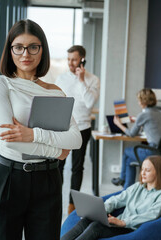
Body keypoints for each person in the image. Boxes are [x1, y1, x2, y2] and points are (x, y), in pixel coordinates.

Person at [0, 19, 82, 240]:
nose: (25, 54)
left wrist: (32, 134)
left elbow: (75, 139)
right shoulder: (0, 84)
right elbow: (10, 140)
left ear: (42, 50)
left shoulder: (55, 91)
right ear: (10, 50)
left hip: (48, 180)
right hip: (10, 178)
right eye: (18, 47)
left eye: (33, 47)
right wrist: (57, 151)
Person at [61, 155, 161, 240]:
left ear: (158, 173)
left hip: (131, 229)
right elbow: (117, 200)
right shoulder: (138, 187)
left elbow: (151, 215)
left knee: (96, 227)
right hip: (118, 224)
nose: (142, 173)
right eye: (142, 169)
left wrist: (123, 222)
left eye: (147, 170)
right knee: (87, 220)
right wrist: (100, 210)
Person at [55, 45, 100, 214]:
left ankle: (72, 205)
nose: (70, 63)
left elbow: (89, 103)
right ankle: (56, 200)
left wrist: (81, 81)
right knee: (58, 165)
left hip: (83, 127)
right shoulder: (61, 79)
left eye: (73, 59)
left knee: (77, 167)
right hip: (62, 127)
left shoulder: (93, 79)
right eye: (68, 59)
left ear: (82, 59)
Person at [112, 89, 161, 189]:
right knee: (129, 161)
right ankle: (127, 188)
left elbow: (131, 134)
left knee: (127, 151)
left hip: (151, 152)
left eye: (139, 100)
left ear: (143, 101)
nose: (138, 102)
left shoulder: (144, 115)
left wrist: (119, 124)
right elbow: (152, 123)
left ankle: (122, 179)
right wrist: (137, 120)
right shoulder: (160, 113)